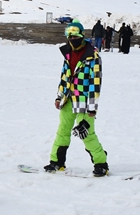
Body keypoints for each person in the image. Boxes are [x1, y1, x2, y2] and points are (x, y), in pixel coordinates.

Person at [45, 20, 108, 176]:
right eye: (69, 36)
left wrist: (92, 107)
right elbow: (64, 78)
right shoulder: (68, 54)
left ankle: (101, 163)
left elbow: (95, 83)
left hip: (85, 102)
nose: (72, 39)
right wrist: (59, 97)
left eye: (75, 36)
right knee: (62, 131)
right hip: (68, 100)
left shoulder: (92, 56)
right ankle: (57, 162)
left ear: (82, 35)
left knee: (86, 133)